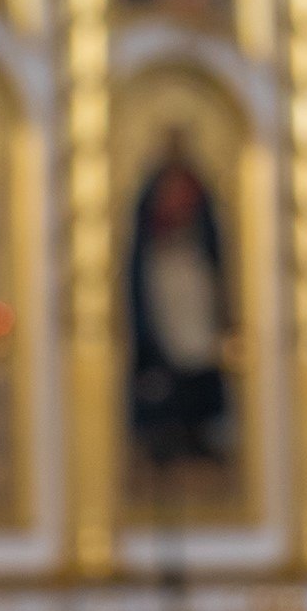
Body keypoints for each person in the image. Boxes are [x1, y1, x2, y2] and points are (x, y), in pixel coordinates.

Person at [127, 128, 231, 465]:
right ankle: (166, 432)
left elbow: (210, 237)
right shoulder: (152, 189)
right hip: (164, 276)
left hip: (192, 276)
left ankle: (198, 430)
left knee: (199, 354)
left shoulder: (198, 187)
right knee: (168, 354)